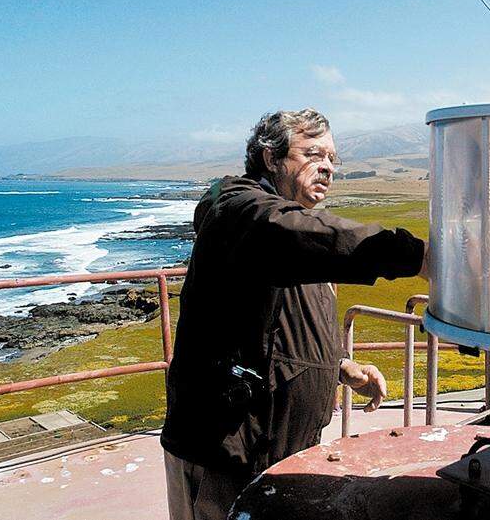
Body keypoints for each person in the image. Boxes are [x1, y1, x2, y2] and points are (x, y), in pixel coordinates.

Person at [161, 108, 427, 520]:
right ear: (271, 158)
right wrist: (416, 257)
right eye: (313, 153)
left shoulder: (292, 232)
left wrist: (341, 365)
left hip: (280, 446)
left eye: (333, 160)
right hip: (227, 450)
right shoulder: (242, 213)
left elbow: (282, 325)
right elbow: (291, 235)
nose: (327, 168)